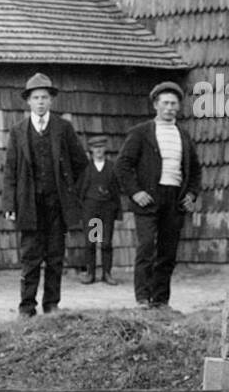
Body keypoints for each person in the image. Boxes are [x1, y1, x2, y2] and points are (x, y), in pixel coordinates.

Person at [3, 73, 88, 318]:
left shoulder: (64, 128)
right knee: (30, 257)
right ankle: (26, 306)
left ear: (51, 101)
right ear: (28, 101)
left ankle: (51, 304)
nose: (40, 102)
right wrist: (10, 203)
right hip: (29, 204)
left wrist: (73, 195)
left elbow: (81, 165)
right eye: (35, 97)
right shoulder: (18, 132)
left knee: (54, 256)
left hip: (57, 205)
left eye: (44, 97)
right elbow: (10, 171)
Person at [116, 82, 201, 309]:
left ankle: (161, 300)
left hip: (174, 199)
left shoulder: (183, 136)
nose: (170, 108)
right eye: (165, 103)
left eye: (174, 104)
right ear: (156, 105)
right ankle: (142, 298)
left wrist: (191, 194)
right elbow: (123, 165)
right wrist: (135, 192)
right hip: (148, 199)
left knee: (167, 251)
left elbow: (195, 169)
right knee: (146, 248)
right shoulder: (141, 133)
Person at [77, 134, 122, 285]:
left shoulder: (111, 167)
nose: (98, 150)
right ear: (90, 150)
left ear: (105, 149)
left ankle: (107, 273)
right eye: (95, 148)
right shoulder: (86, 168)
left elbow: (116, 190)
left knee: (106, 242)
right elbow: (80, 190)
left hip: (107, 209)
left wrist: (117, 210)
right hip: (91, 209)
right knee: (91, 241)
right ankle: (90, 273)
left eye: (101, 147)